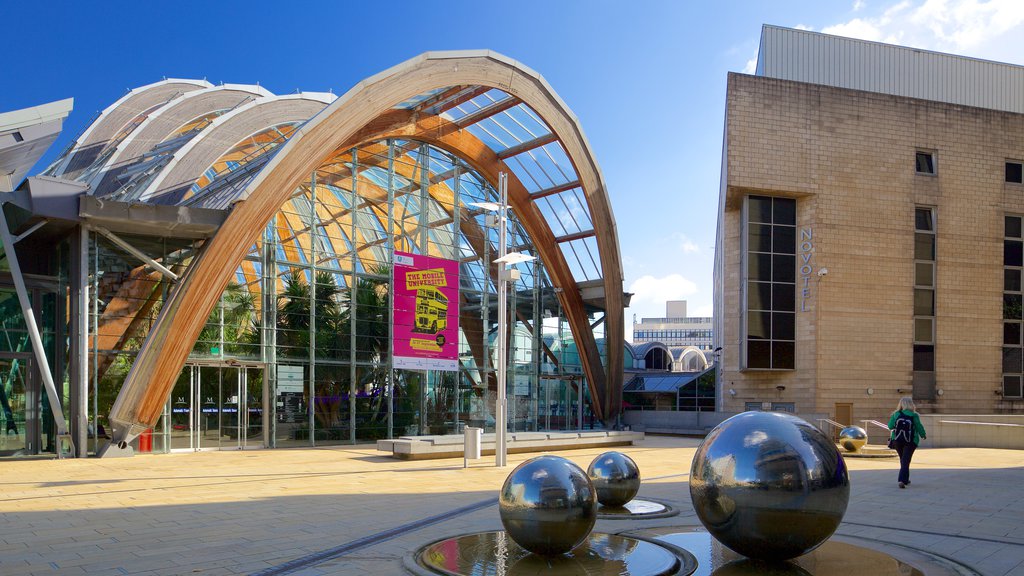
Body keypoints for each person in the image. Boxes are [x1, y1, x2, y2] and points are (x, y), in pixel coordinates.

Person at [888, 396, 927, 488]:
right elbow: (919, 426)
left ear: (901, 404)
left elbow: (890, 426)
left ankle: (905, 479)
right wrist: (923, 435)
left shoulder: (896, 414)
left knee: (903, 459)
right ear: (911, 404)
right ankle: (902, 480)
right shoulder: (914, 415)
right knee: (906, 460)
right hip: (911, 440)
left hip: (897, 440)